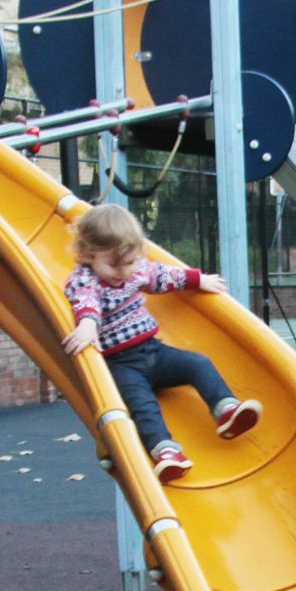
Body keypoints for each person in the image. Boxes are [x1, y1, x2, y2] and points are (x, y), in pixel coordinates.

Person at [58, 203, 260, 482]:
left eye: (128, 262)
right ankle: (165, 451)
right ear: (88, 254)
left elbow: (162, 276)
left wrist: (198, 279)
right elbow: (85, 301)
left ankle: (225, 408)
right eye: (112, 264)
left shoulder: (135, 269)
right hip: (121, 365)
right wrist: (88, 324)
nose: (122, 271)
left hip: (154, 351)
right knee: (142, 406)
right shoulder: (84, 279)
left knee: (198, 363)